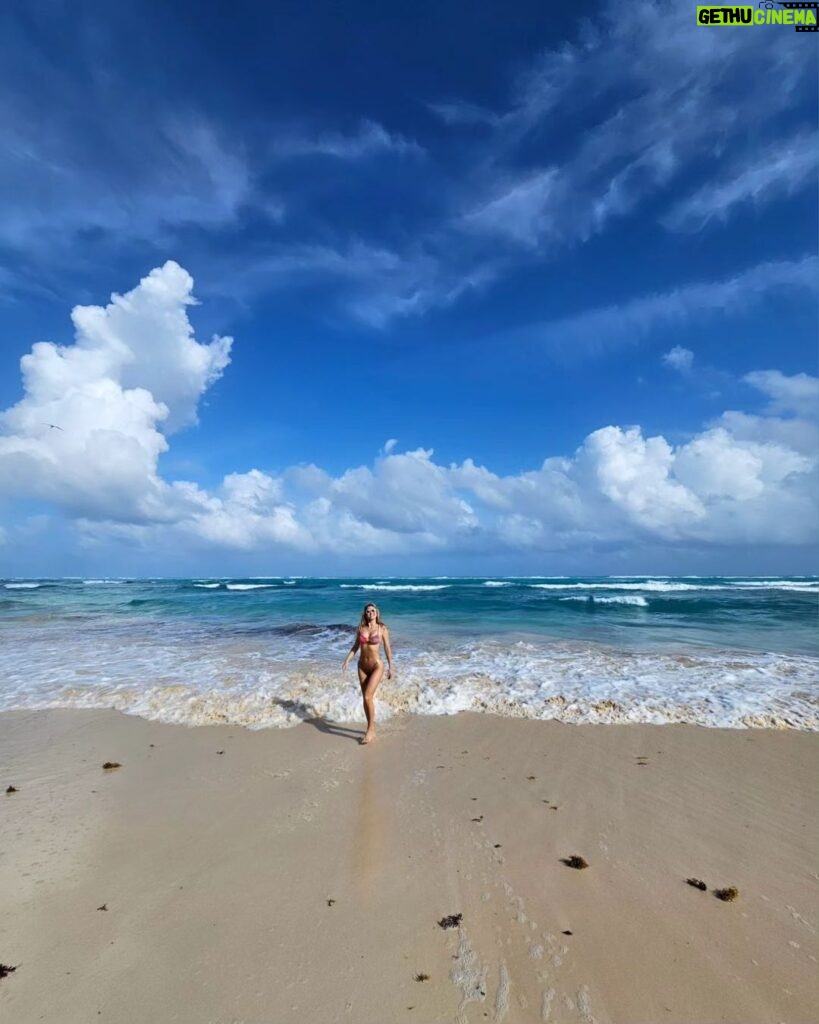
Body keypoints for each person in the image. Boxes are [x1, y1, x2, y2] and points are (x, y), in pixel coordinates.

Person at [341, 602, 394, 744]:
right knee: (366, 699)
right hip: (362, 666)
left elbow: (387, 648)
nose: (370, 613)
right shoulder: (361, 629)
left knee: (367, 696)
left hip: (377, 665)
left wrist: (391, 666)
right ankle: (370, 728)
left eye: (373, 611)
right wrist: (347, 660)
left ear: (377, 613)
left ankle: (370, 730)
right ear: (365, 614)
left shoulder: (382, 628)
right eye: (368, 611)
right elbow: (355, 647)